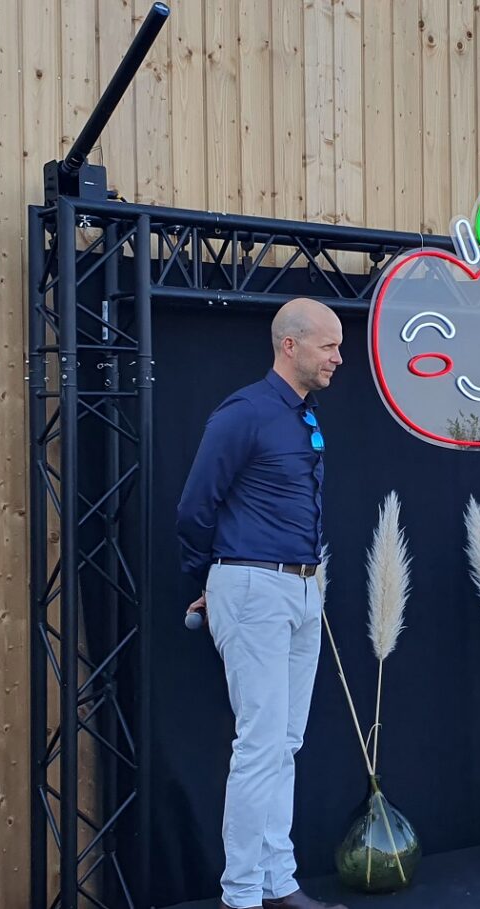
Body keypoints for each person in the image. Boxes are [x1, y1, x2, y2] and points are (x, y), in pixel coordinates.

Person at [176, 298, 349, 909]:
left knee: (285, 743)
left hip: (303, 589)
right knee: (259, 743)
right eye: (328, 345)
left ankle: (278, 882)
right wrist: (208, 580)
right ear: (290, 345)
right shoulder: (244, 412)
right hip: (253, 587)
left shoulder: (302, 415)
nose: (338, 356)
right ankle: (243, 893)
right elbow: (194, 508)